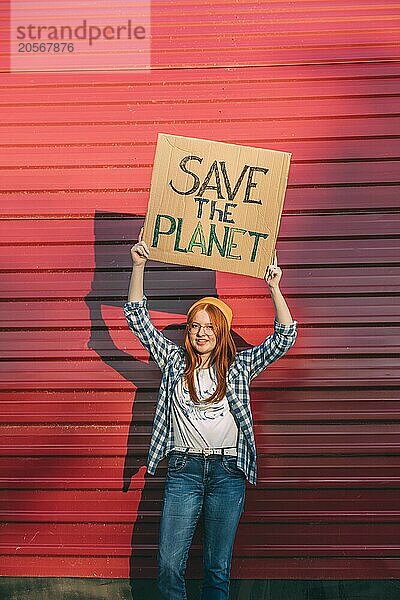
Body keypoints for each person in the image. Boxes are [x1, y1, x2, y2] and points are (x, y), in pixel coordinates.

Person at [123, 227, 297, 600]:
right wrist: (139, 265)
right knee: (170, 565)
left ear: (223, 331)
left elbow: (284, 337)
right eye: (195, 326)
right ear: (188, 330)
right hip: (184, 471)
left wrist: (274, 287)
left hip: (227, 472)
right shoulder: (173, 360)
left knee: (217, 570)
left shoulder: (239, 366)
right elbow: (137, 318)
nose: (202, 333)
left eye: (210, 326)